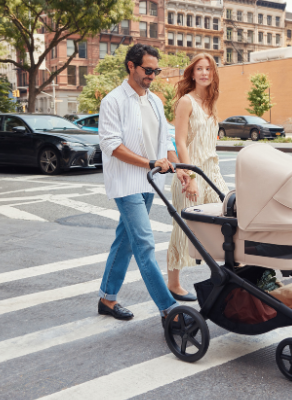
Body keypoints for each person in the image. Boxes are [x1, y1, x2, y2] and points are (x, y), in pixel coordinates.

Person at [96, 44, 191, 321]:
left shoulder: (155, 101)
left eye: (155, 70)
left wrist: (178, 167)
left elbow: (164, 140)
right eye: (147, 70)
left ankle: (107, 298)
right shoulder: (112, 101)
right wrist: (150, 163)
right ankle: (169, 309)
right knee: (144, 243)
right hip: (126, 183)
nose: (152, 75)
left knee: (125, 241)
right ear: (131, 66)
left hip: (150, 184)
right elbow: (112, 145)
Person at [166, 53, 230, 301]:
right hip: (192, 173)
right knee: (183, 229)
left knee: (227, 214)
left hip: (212, 171)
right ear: (192, 73)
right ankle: (173, 284)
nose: (204, 73)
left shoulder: (211, 102)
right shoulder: (186, 102)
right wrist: (190, 175)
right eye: (199, 69)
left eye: (209, 69)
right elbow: (180, 141)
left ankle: (227, 273)